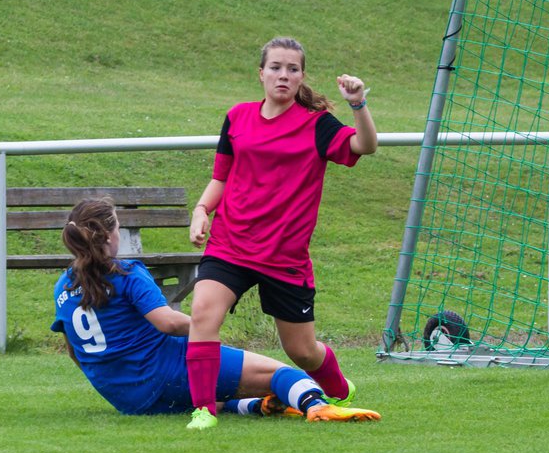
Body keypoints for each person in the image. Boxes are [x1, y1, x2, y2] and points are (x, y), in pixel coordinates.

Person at [51, 197, 382, 427]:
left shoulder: (62, 287)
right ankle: (317, 406)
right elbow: (166, 322)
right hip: (165, 372)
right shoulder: (127, 273)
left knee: (219, 397)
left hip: (125, 397)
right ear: (109, 235)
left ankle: (259, 405)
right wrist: (203, 327)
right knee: (284, 374)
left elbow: (73, 351)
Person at [184, 36, 378, 425]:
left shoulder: (317, 125)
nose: (283, 75)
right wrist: (202, 209)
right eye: (275, 67)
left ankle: (340, 389)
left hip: (284, 258)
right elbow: (221, 176)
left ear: (302, 76)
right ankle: (203, 411)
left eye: (292, 69)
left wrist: (358, 104)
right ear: (261, 74)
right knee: (203, 313)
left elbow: (365, 145)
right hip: (231, 245)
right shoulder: (238, 117)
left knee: (303, 352)